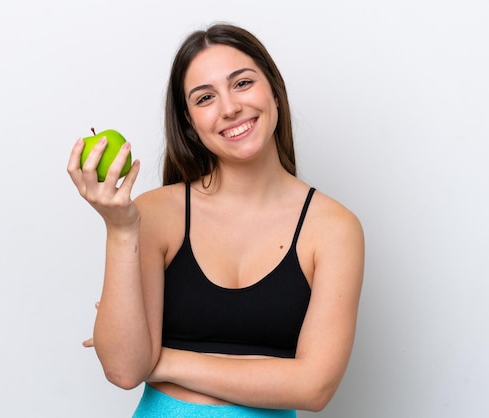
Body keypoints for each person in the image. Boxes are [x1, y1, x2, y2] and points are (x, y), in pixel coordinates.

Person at [67, 23, 364, 417]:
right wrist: (120, 228)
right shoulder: (155, 213)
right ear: (190, 122)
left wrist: (160, 361)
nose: (229, 108)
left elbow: (314, 388)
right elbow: (124, 369)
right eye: (205, 97)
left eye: (242, 84)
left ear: (273, 90)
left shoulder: (334, 228)